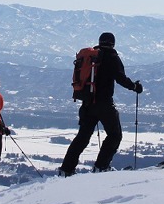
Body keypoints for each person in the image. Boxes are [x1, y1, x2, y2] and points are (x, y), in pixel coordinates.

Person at [57, 32, 142, 175]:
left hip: (87, 104)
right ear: (113, 43)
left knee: (82, 137)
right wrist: (134, 87)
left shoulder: (91, 58)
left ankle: (66, 169)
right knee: (115, 135)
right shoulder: (112, 57)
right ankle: (101, 166)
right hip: (104, 105)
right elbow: (120, 78)